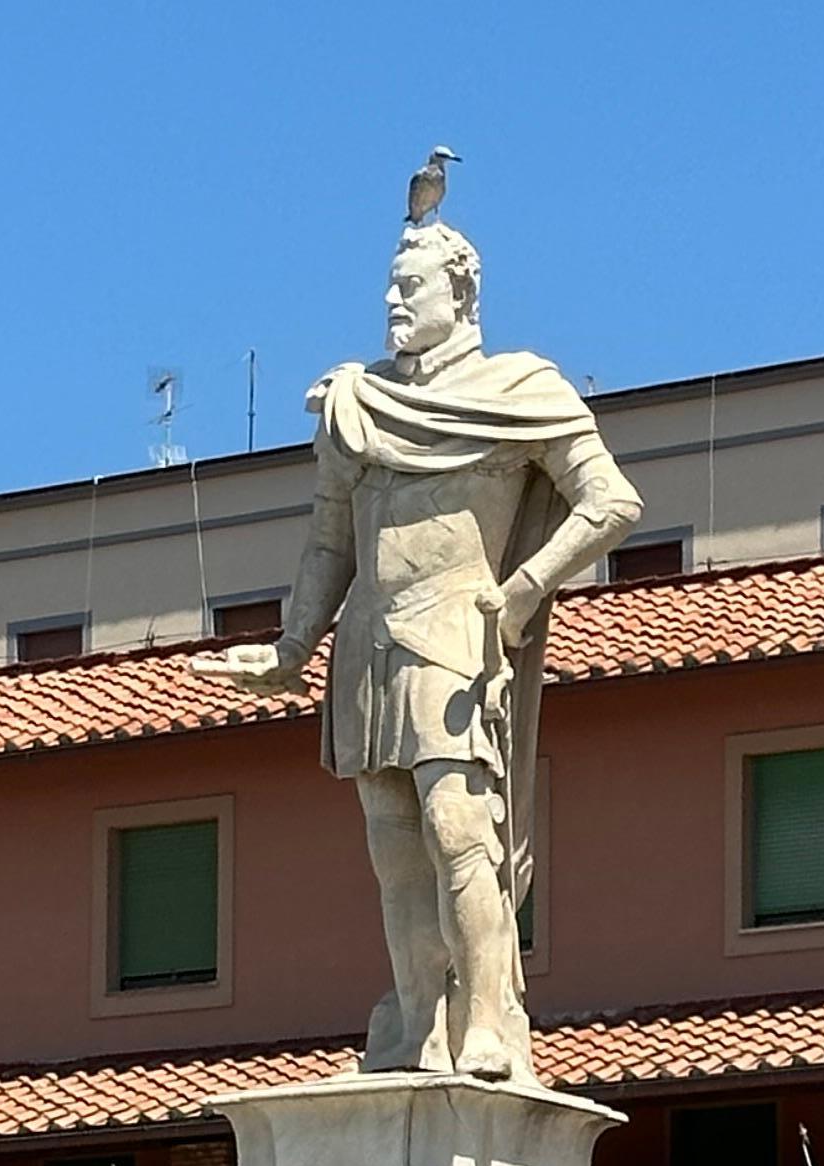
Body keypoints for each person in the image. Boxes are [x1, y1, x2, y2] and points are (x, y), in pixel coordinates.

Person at [230, 161, 641, 1082]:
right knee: (392, 850)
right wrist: (293, 647)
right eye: (385, 285)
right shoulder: (356, 403)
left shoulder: (517, 388)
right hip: (367, 645)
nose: (390, 301)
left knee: (462, 831)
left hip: (456, 628)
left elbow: (611, 501)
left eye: (407, 286)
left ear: (460, 291)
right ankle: (420, 1021)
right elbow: (327, 541)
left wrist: (527, 584)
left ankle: (489, 1018)